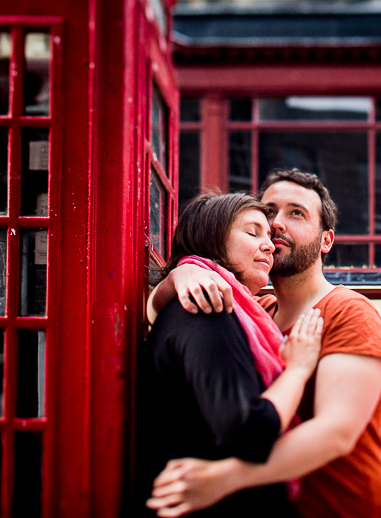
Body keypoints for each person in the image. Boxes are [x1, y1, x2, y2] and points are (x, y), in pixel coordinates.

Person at [147, 168, 381, 518]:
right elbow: (154, 318)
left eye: (296, 213)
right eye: (269, 213)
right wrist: (184, 272)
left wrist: (226, 478)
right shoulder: (256, 311)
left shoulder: (348, 312)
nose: (278, 224)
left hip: (344, 506)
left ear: (326, 240)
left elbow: (337, 431)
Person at [139, 192, 325, 517]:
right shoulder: (208, 310)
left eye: (268, 236)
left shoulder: (235, 313)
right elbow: (249, 434)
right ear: (211, 238)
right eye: (253, 233)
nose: (269, 245)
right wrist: (297, 369)